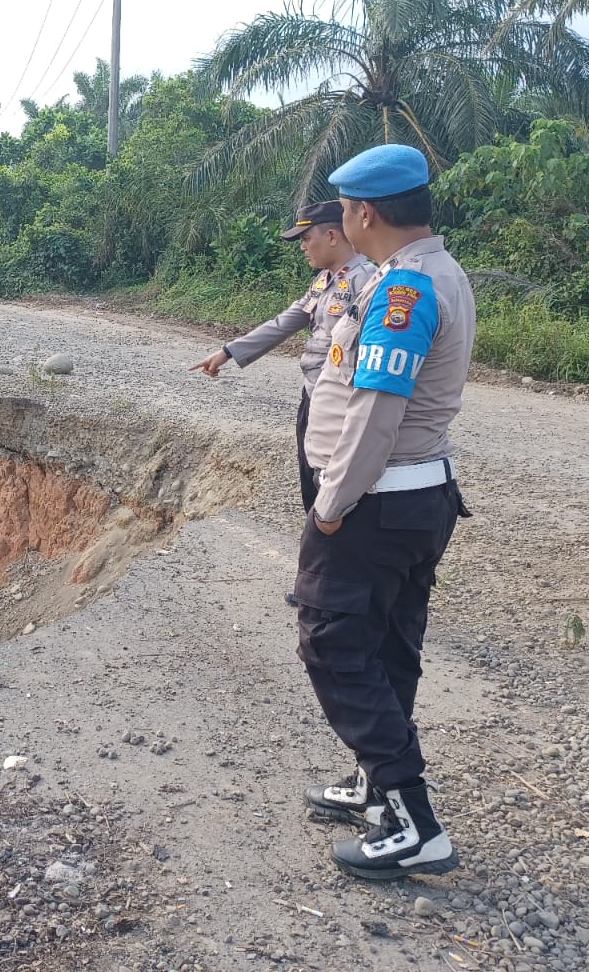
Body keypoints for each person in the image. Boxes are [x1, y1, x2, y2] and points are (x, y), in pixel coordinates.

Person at [293, 143, 474, 881]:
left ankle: (411, 821)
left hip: (377, 500)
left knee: (333, 640)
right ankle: (378, 787)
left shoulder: (406, 291)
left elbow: (375, 414)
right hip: (414, 498)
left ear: (364, 213)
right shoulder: (436, 271)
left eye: (343, 209)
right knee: (387, 644)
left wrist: (330, 506)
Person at [189, 200, 375, 551]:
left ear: (332, 235)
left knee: (334, 490)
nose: (303, 247)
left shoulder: (366, 282)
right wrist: (229, 351)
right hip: (313, 396)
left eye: (306, 239)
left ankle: (334, 577)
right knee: (312, 484)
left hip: (339, 404)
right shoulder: (326, 281)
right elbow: (286, 321)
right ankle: (320, 573)